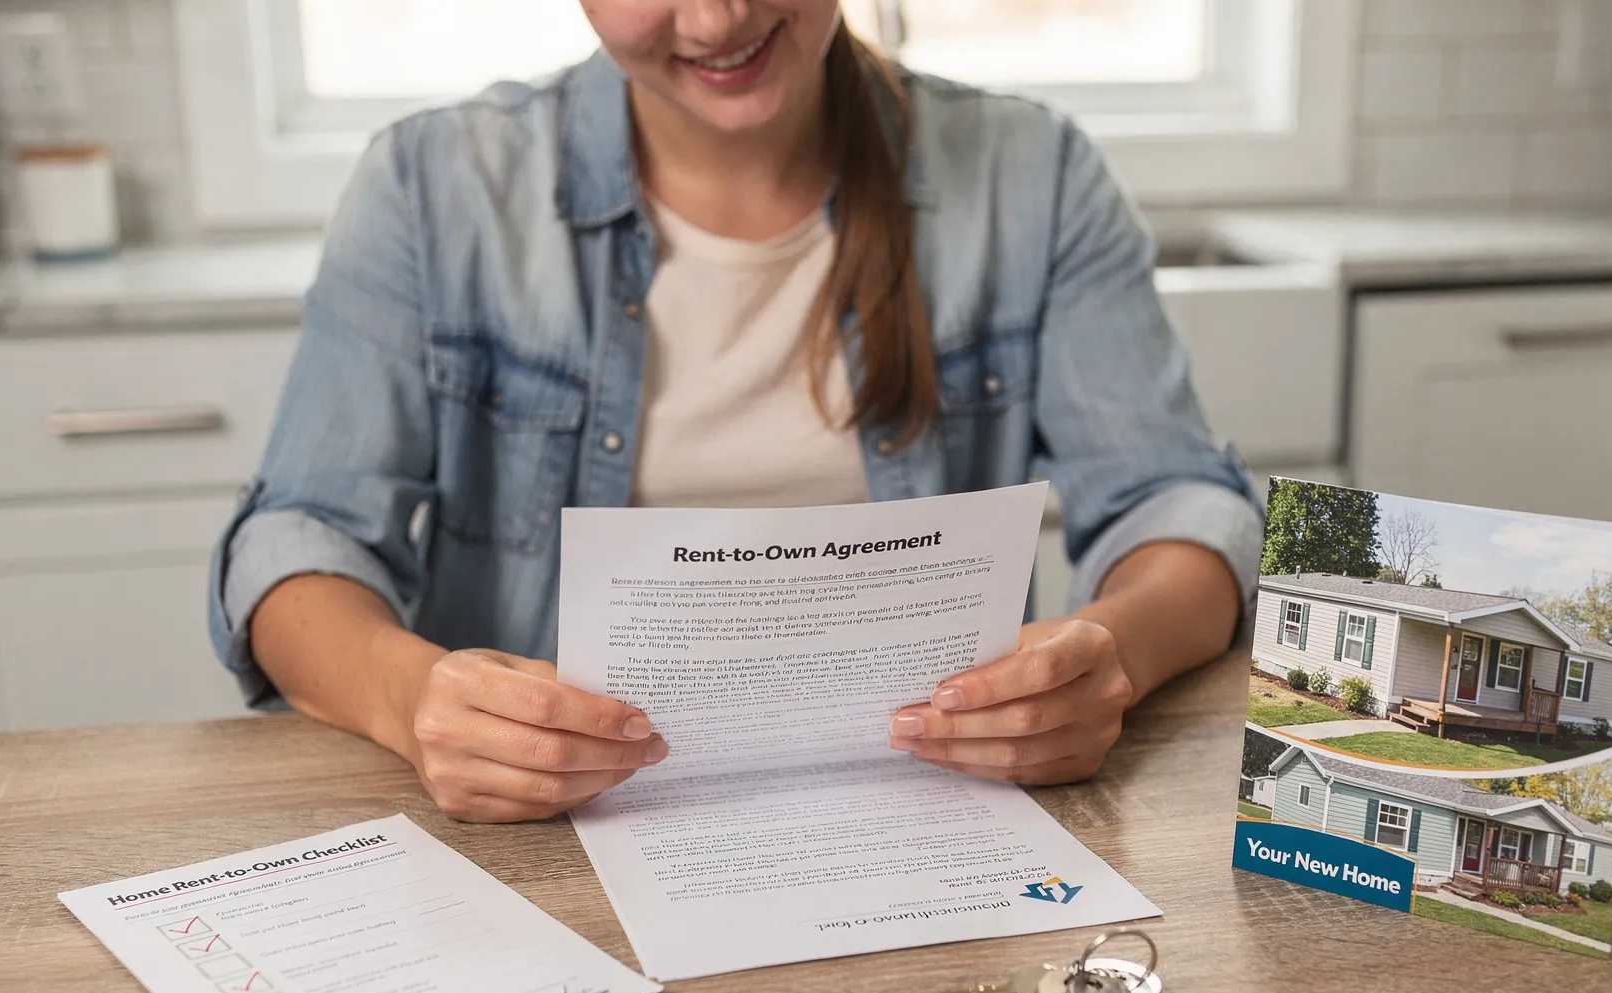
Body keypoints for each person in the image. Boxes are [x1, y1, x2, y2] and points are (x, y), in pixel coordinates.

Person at [208, 0, 1261, 824]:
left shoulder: (1035, 177)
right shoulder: (429, 188)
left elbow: (1182, 505)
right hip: (538, 843)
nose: (716, 21)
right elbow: (299, 544)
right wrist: (412, 698)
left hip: (927, 823)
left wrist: (1105, 657)